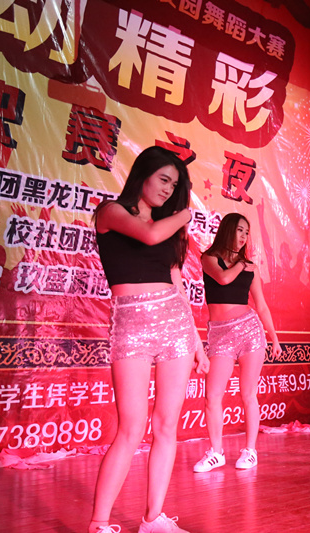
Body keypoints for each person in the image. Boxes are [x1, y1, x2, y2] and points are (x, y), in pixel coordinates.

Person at [89, 146, 210, 533]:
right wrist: (186, 213)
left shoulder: (168, 228)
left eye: (174, 185)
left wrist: (196, 341)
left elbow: (177, 285)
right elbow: (149, 233)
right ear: (143, 173)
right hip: (132, 326)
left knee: (166, 427)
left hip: (175, 326)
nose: (168, 189)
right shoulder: (111, 212)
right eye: (164, 179)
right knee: (130, 429)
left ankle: (153, 518)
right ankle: (99, 523)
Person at [192, 213, 282, 472]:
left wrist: (274, 337)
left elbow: (261, 306)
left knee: (248, 394)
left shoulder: (250, 267)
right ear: (228, 230)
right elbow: (223, 278)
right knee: (212, 396)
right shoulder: (210, 258)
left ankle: (250, 451)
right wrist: (242, 264)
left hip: (249, 331)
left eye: (247, 232)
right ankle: (216, 453)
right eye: (240, 230)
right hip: (220, 334)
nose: (244, 236)